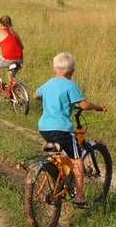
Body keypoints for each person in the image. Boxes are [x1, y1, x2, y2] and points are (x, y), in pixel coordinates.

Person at [33, 52, 106, 208]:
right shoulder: (71, 85)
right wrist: (98, 107)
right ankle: (79, 197)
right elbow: (84, 105)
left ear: (54, 70)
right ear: (72, 72)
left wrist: (45, 99)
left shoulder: (48, 84)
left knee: (56, 155)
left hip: (44, 128)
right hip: (63, 130)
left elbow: (35, 95)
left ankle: (56, 178)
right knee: (77, 160)